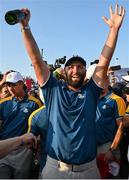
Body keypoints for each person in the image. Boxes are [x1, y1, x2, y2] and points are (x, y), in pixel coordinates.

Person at [18, 4, 125, 179]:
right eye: (71, 67)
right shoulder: (53, 89)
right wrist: (25, 27)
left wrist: (114, 30)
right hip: (55, 168)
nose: (76, 70)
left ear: (85, 72)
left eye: (80, 67)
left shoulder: (91, 92)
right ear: (64, 71)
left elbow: (104, 62)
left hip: (88, 170)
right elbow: (36, 60)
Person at [0, 71, 42, 179]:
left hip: (23, 151)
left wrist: (37, 151)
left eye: (13, 85)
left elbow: (41, 127)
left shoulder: (35, 103)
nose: (10, 88)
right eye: (8, 85)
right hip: (4, 148)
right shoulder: (3, 103)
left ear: (21, 83)